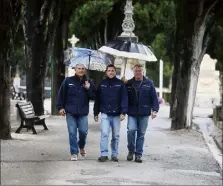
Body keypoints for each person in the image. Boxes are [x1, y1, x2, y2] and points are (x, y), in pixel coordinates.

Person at [57, 64, 96, 161]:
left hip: (83, 112)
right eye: (79, 68)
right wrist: (61, 107)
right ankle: (74, 152)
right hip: (70, 112)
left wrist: (88, 88)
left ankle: (81, 145)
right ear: (75, 70)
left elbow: (94, 97)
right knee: (72, 133)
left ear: (85, 70)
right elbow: (61, 94)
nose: (81, 70)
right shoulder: (68, 81)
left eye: (83, 69)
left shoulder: (89, 82)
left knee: (83, 132)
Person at [125, 64, 159, 163]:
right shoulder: (129, 83)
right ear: (133, 71)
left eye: (140, 71)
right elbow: (123, 96)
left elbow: (154, 98)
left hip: (144, 112)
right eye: (136, 71)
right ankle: (131, 151)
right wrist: (123, 83)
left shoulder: (149, 83)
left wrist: (155, 110)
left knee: (141, 134)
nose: (138, 72)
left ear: (142, 71)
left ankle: (138, 154)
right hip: (132, 112)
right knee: (131, 130)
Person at [94, 64, 128, 162]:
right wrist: (96, 113)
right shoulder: (102, 84)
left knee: (115, 135)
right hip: (105, 113)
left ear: (115, 72)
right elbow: (97, 100)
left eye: (112, 70)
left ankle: (114, 154)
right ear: (106, 72)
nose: (111, 72)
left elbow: (124, 99)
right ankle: (104, 154)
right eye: (109, 70)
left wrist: (123, 112)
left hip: (117, 114)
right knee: (104, 133)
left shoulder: (120, 84)